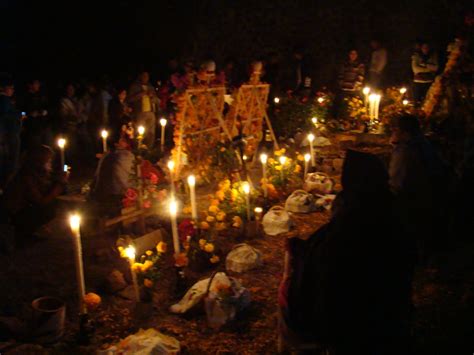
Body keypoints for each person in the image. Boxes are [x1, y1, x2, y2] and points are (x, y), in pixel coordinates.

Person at [279, 149, 415, 354]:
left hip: (353, 315)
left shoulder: (354, 218)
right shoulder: (389, 204)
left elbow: (329, 261)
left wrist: (301, 252)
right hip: (391, 307)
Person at [389, 114, 446, 261]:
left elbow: (396, 184)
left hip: (413, 201)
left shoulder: (406, 151)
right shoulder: (423, 143)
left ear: (404, 133)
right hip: (430, 197)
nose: (392, 133)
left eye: (395, 130)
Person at [0, 145, 68, 246]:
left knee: (52, 203)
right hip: (10, 216)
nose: (50, 164)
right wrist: (58, 188)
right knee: (50, 208)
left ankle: (26, 232)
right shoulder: (26, 176)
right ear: (39, 162)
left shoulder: (36, 174)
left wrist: (61, 181)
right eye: (48, 161)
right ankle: (22, 233)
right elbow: (40, 201)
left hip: (20, 211)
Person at [88, 128, 134, 217]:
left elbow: (95, 179)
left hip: (99, 194)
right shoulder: (127, 156)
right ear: (117, 142)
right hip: (116, 196)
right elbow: (130, 181)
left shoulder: (106, 155)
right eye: (124, 140)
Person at [0, 78, 22, 189]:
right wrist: (20, 115)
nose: (12, 90)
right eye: (10, 88)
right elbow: (6, 116)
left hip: (10, 134)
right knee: (11, 161)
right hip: (9, 135)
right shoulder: (4, 101)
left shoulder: (7, 101)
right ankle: (6, 186)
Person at [128, 71, 159, 148]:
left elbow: (156, 100)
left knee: (151, 132)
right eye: (144, 76)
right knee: (140, 131)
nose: (146, 78)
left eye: (147, 76)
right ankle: (138, 148)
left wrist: (152, 97)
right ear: (140, 76)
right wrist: (141, 94)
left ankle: (149, 148)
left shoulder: (151, 87)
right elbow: (130, 99)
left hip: (151, 112)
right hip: (140, 112)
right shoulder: (135, 87)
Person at [21, 79, 51, 150]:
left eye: (38, 83)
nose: (38, 85)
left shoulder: (41, 95)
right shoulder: (24, 97)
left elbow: (48, 107)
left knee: (47, 147)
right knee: (35, 148)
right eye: (36, 83)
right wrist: (28, 114)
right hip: (33, 128)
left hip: (44, 125)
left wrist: (46, 111)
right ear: (30, 85)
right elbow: (21, 112)